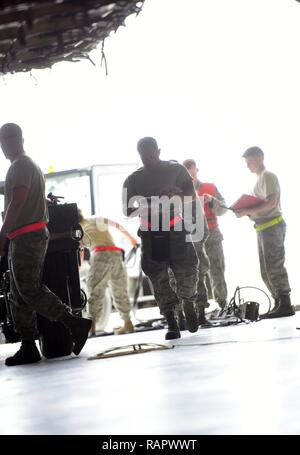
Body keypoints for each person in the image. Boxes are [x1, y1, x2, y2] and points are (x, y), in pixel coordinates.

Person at [0, 123, 92, 366]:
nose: (3, 147)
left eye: (4, 141)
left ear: (13, 140)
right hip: (24, 235)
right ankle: (29, 345)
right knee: (18, 293)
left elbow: (17, 202)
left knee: (29, 289)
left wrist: (2, 233)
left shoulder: (21, 165)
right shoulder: (23, 166)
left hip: (27, 235)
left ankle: (75, 324)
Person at [123, 137, 201, 340]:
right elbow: (128, 210)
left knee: (188, 272)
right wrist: (149, 203)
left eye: (152, 154)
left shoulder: (175, 169)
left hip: (175, 229)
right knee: (159, 280)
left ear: (159, 150)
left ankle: (188, 302)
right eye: (144, 156)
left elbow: (190, 194)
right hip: (151, 234)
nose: (149, 159)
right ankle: (171, 321)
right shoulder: (133, 179)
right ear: (139, 155)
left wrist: (175, 194)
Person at [235, 146, 294, 319]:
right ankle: (279, 302)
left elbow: (271, 203)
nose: (248, 166)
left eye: (250, 161)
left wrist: (246, 211)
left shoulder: (268, 176)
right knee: (266, 270)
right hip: (262, 228)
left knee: (274, 266)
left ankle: (285, 304)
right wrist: (245, 210)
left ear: (260, 157)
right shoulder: (258, 180)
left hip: (272, 227)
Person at [78, 211, 137, 336]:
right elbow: (117, 226)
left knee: (95, 290)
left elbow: (81, 250)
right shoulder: (97, 219)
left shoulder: (78, 228)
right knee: (120, 290)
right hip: (115, 254)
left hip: (100, 255)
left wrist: (79, 266)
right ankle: (128, 323)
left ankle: (91, 327)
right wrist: (132, 239)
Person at [183, 159, 228, 309]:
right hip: (194, 237)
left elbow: (223, 209)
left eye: (190, 167)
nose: (189, 170)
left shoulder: (210, 187)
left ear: (196, 168)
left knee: (217, 269)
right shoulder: (180, 192)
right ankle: (200, 307)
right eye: (185, 168)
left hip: (213, 234)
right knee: (197, 272)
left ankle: (222, 304)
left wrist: (211, 200)